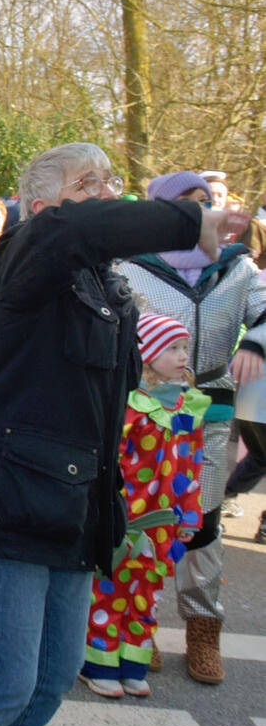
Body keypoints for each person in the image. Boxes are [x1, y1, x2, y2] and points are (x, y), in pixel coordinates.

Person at [0, 143, 243, 726]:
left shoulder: (106, 283)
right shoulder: (30, 253)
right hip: (13, 500)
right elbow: (73, 228)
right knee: (4, 680)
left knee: (58, 670)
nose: (101, 191)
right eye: (83, 182)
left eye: (107, 180)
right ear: (39, 204)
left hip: (78, 503)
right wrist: (187, 221)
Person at [113, 169, 266, 685]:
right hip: (145, 415)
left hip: (212, 412)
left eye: (207, 201)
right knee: (146, 520)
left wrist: (255, 342)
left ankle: (204, 626)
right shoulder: (133, 269)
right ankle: (142, 623)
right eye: (188, 203)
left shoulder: (238, 268)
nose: (202, 211)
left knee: (200, 522)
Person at [78, 314, 206, 700]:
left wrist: (190, 514)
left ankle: (133, 662)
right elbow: (111, 461)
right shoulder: (130, 405)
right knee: (110, 587)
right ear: (146, 356)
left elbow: (192, 465)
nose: (183, 355)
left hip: (162, 522)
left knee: (146, 593)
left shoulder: (187, 406)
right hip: (126, 517)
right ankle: (98, 662)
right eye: (172, 348)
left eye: (184, 347)